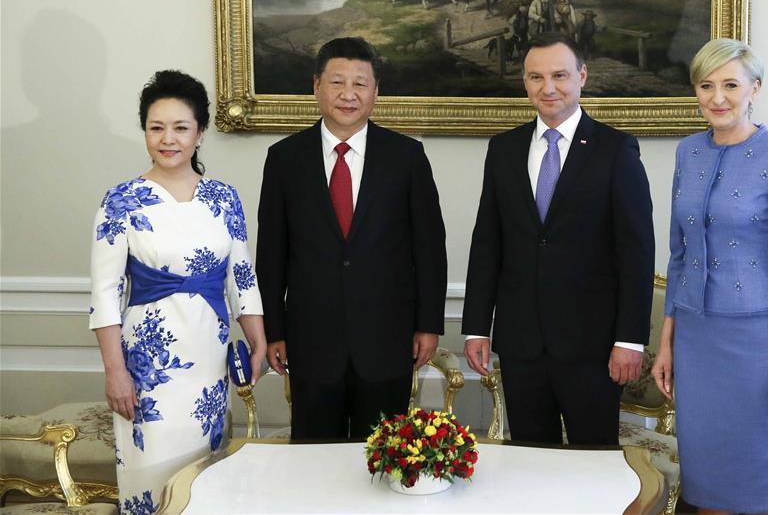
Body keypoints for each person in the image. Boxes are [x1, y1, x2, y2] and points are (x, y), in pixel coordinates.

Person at [462, 33, 654, 445]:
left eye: (560, 75)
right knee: (531, 464)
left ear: (582, 76)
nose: (548, 88)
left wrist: (629, 339)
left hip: (594, 347)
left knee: (593, 464)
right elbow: (487, 245)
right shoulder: (503, 149)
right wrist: (477, 327)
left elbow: (636, 253)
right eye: (536, 77)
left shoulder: (615, 150)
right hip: (521, 345)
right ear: (525, 83)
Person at [90, 70, 266, 512]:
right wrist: (116, 372)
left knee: (203, 479)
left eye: (180, 127)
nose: (168, 139)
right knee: (151, 478)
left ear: (200, 133)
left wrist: (258, 338)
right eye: (156, 127)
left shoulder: (224, 198)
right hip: (148, 368)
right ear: (145, 131)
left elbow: (242, 276)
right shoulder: (121, 200)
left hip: (209, 358)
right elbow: (105, 293)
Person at [257, 37, 448, 439]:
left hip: (387, 339)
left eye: (360, 84)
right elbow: (272, 254)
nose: (348, 95)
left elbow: (429, 249)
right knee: (314, 459)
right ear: (316, 86)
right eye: (337, 82)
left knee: (383, 460)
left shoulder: (407, 157)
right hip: (311, 341)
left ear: (376, 91)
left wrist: (428, 324)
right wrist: (275, 329)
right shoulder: (284, 159)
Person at [652, 38, 768, 514]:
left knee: (754, 486)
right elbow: (678, 257)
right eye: (706, 85)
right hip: (696, 342)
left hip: (756, 347)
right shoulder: (688, 153)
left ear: (754, 89)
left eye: (730, 85)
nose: (717, 97)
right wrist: (666, 344)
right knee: (706, 488)